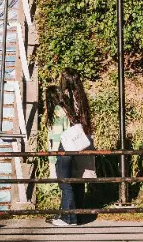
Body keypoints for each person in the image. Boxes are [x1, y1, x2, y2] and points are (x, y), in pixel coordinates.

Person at [45, 69, 96, 227]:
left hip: (66, 145)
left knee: (66, 183)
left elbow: (57, 133)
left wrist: (52, 156)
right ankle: (76, 215)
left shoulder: (63, 103)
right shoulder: (81, 98)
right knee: (78, 180)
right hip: (81, 142)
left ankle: (68, 218)